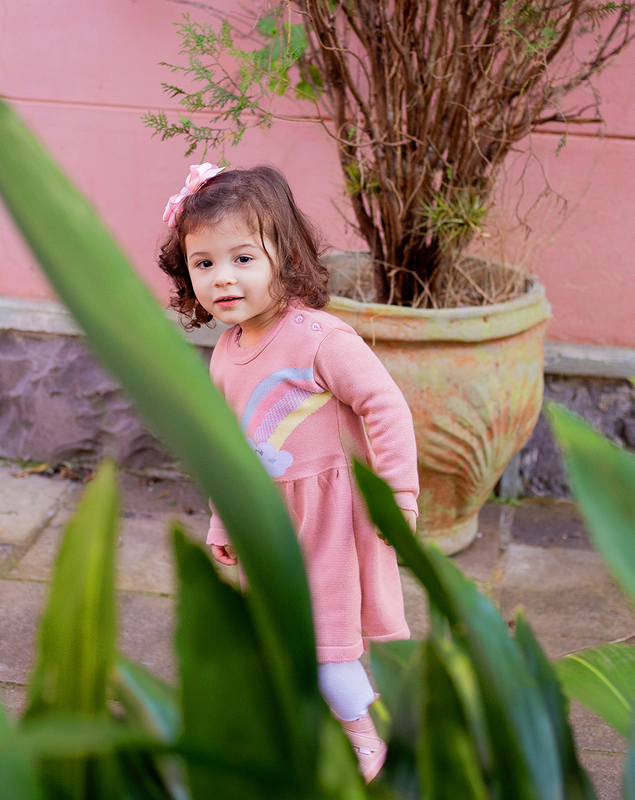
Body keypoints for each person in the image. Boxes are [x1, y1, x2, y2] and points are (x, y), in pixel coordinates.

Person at [158, 163, 418, 782]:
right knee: (275, 635)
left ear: (286, 255)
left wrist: (398, 497)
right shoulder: (228, 351)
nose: (223, 278)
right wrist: (225, 519)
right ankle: (300, 730)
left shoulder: (320, 339)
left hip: (330, 518)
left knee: (327, 645)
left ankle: (367, 737)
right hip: (269, 518)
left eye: (243, 258)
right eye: (204, 264)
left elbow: (385, 405)